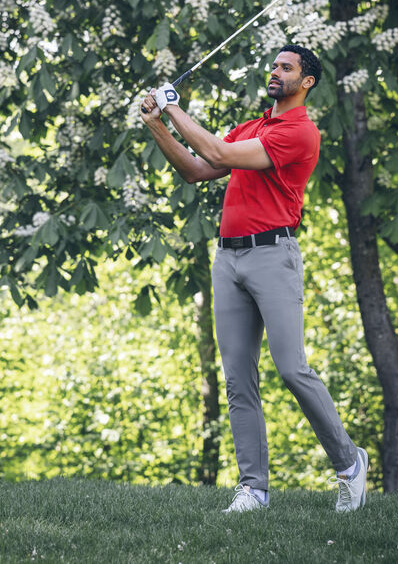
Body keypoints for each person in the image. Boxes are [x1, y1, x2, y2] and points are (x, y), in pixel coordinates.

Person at [139, 44, 368, 513]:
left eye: (287, 68)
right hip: (228, 258)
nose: (275, 71)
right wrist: (157, 124)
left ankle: (349, 464)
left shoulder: (300, 132)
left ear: (306, 82)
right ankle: (253, 489)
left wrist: (173, 106)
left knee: (292, 368)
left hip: (272, 256)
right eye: (274, 65)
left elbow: (216, 150)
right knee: (237, 379)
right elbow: (197, 169)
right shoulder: (251, 127)